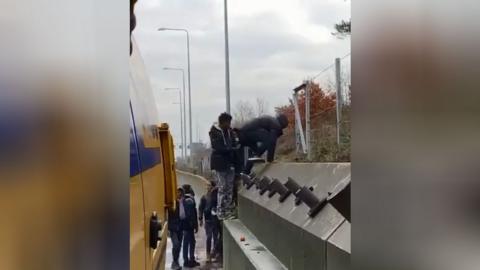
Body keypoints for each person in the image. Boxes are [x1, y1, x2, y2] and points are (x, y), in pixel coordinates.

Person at [209, 112, 239, 220]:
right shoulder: (214, 132)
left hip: (230, 163)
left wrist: (234, 146)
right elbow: (217, 147)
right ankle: (220, 211)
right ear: (223, 122)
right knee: (222, 187)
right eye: (228, 122)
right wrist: (230, 149)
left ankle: (228, 209)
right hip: (219, 164)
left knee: (229, 187)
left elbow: (234, 144)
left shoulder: (230, 132)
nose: (229, 124)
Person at [198, 181, 220, 263]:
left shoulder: (216, 196)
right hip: (208, 220)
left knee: (216, 237)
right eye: (207, 185)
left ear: (212, 187)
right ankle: (208, 254)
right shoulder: (204, 197)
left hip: (215, 219)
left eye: (209, 185)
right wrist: (200, 219)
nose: (208, 187)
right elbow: (200, 208)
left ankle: (215, 253)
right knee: (209, 237)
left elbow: (219, 205)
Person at [180, 184, 200, 268]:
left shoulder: (185, 199)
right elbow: (191, 215)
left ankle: (188, 259)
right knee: (189, 242)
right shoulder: (189, 200)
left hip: (186, 226)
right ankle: (188, 260)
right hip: (188, 226)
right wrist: (194, 225)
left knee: (188, 242)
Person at [168, 188, 184, 270]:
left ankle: (176, 261)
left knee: (179, 245)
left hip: (181, 227)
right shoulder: (172, 203)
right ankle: (174, 262)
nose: (179, 194)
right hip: (173, 228)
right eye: (178, 193)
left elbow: (184, 215)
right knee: (176, 244)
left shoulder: (183, 203)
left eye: (180, 193)